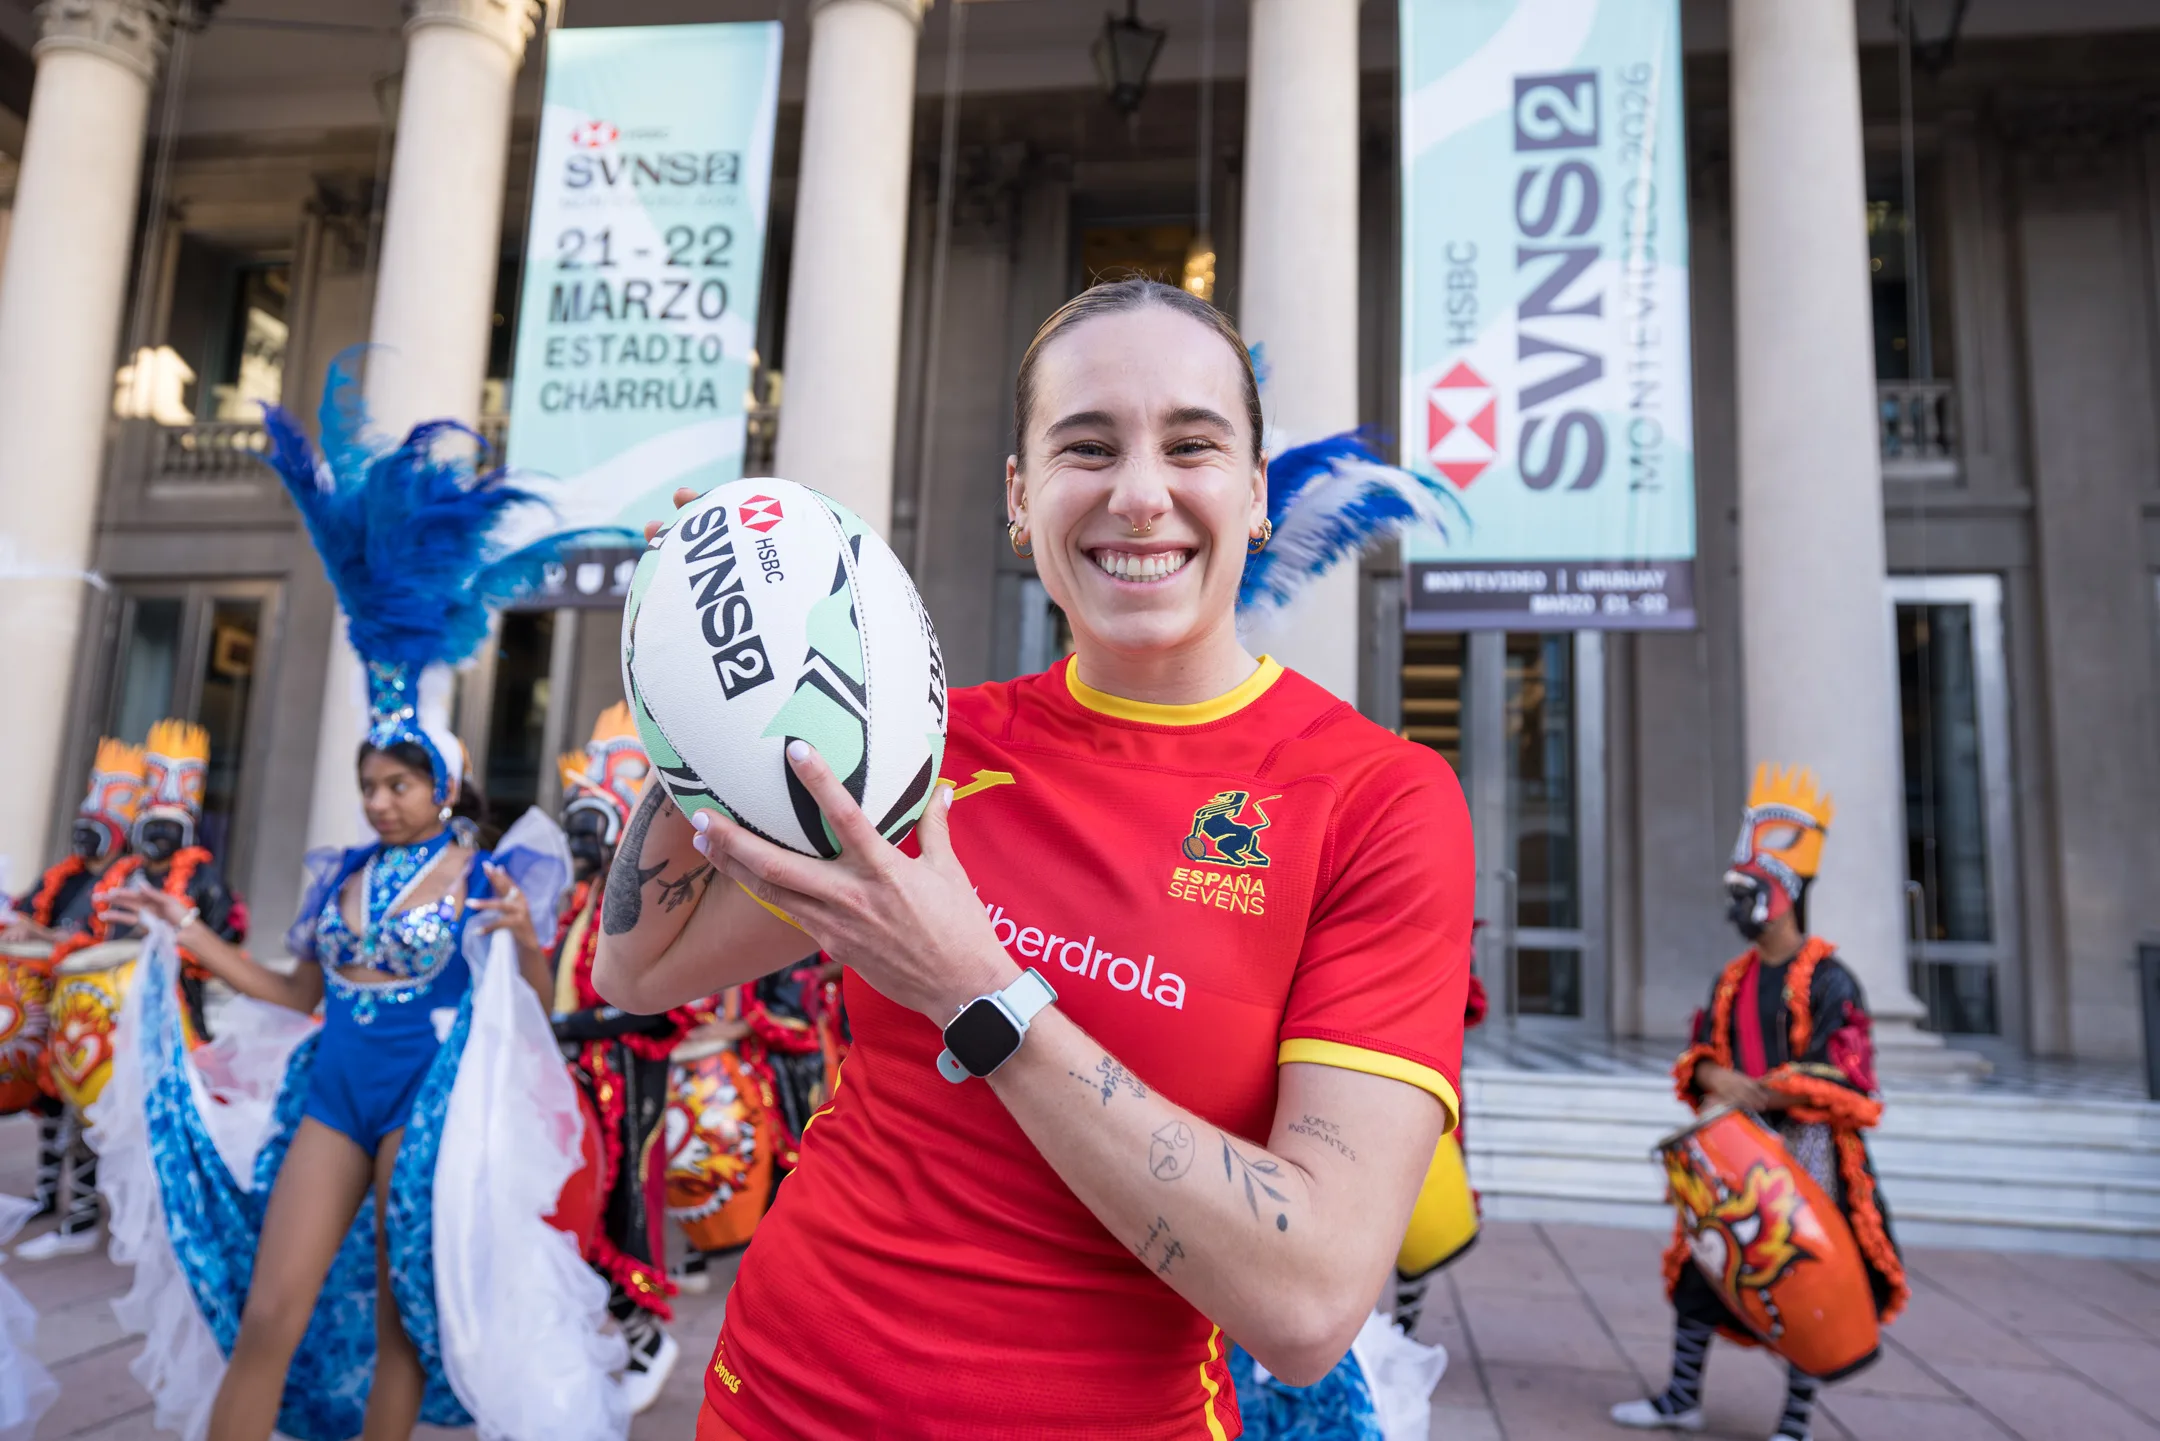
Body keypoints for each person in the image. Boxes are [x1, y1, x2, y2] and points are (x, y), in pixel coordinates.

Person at [597, 277, 1475, 1439]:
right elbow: (636, 972)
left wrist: (980, 994)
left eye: (1193, 445)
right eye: (1088, 446)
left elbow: (1308, 1302)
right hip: (774, 1399)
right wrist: (707, 689)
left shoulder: (1373, 799)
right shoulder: (929, 746)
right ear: (1022, 498)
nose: (1141, 493)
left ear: (1258, 490)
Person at [87, 361, 631, 1441]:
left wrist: (524, 941)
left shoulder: (491, 877)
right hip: (334, 1084)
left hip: (428, 1095)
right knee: (270, 1313)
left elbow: (531, 1005)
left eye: (400, 785)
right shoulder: (337, 875)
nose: (380, 802)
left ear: (443, 784)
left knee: (402, 1332)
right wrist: (185, 932)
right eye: (370, 785)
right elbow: (295, 987)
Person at [1611, 766, 1907, 1441]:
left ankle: (1795, 1424)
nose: (1735, 906)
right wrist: (1717, 1076)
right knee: (1700, 1272)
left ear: (1787, 893)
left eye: (1747, 892)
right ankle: (1682, 1397)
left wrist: (1766, 1089)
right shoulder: (1732, 980)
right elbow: (1699, 1053)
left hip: (1808, 1156)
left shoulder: (1832, 979)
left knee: (1805, 1285)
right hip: (1736, 1153)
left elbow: (1852, 1075)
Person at [549, 702, 691, 1410]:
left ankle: (645, 1336)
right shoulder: (583, 895)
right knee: (574, 1205)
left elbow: (663, 1001)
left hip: (626, 1079)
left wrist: (573, 1028)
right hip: (575, 1077)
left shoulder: (650, 892)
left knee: (619, 1206)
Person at [1, 739, 142, 1255]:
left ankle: (82, 1216)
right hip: (51, 1006)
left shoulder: (131, 882)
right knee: (49, 1110)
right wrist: (19, 924)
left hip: (96, 1017)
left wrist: (51, 940)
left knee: (84, 1114)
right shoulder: (65, 876)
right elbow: (26, 912)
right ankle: (45, 1197)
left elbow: (111, 945)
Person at [54, 718, 247, 1041]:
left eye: (169, 827)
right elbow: (87, 937)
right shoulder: (122, 875)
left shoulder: (204, 880)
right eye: (153, 824)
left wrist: (170, 935)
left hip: (174, 1020)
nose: (159, 833)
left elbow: (224, 948)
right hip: (112, 1014)